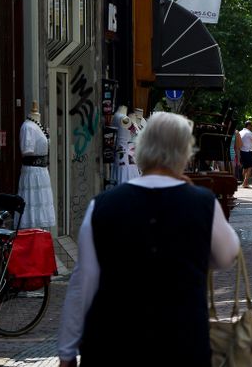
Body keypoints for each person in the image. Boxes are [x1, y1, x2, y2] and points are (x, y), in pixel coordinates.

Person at [58, 112, 240, 367]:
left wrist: (67, 350)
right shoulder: (202, 204)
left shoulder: (102, 206)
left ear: (141, 148)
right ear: (184, 153)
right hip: (182, 342)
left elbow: (83, 281)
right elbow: (227, 254)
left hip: (112, 344)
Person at [18, 102, 56, 229]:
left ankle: (39, 234)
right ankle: (31, 232)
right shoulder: (28, 127)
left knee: (40, 203)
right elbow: (26, 150)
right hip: (33, 172)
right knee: (32, 202)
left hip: (41, 172)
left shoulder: (37, 125)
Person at [237, 120, 252, 189]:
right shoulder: (249, 132)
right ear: (248, 125)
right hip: (249, 151)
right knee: (250, 167)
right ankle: (245, 183)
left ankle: (244, 182)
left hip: (242, 151)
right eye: (251, 125)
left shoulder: (240, 132)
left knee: (245, 168)